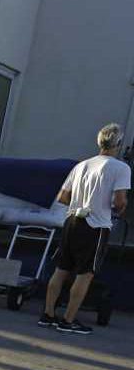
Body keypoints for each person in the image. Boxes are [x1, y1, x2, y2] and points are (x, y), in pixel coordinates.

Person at [40, 123, 131, 335]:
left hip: (72, 221)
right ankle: (68, 320)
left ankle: (48, 314)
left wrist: (83, 200)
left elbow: (62, 197)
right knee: (85, 273)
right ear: (118, 144)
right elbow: (119, 202)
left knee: (61, 269)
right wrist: (112, 207)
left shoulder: (81, 165)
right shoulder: (121, 168)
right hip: (96, 225)